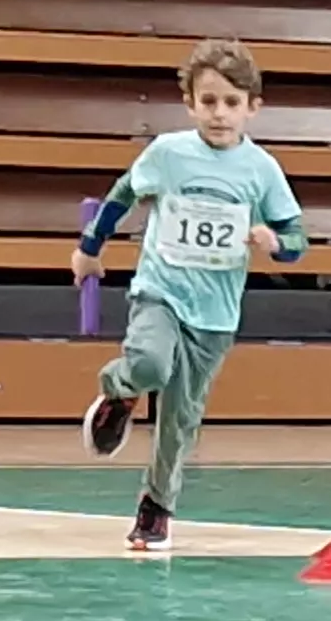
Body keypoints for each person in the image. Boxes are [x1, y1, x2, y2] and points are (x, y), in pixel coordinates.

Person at [75, 36, 307, 554]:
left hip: (215, 315)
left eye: (231, 103)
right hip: (161, 292)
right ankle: (118, 387)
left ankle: (156, 508)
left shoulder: (261, 170)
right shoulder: (169, 153)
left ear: (253, 108)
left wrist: (274, 242)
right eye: (208, 102)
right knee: (152, 364)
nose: (219, 114)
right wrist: (89, 249)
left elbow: (297, 239)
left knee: (180, 419)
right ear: (189, 104)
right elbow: (121, 196)